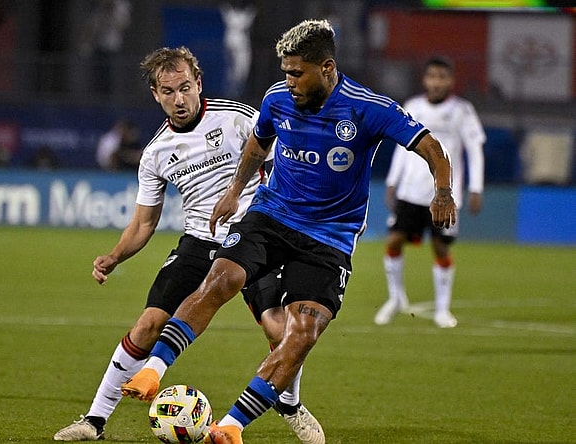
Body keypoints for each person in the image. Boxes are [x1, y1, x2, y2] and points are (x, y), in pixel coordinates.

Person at [120, 20, 457, 444]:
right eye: (284, 71)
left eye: (297, 72)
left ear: (327, 67)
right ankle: (154, 369)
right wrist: (233, 192)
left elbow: (431, 147)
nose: (288, 81)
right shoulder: (278, 98)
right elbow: (257, 145)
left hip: (330, 237)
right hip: (272, 215)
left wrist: (443, 191)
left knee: (300, 336)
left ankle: (230, 428)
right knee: (221, 277)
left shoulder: (368, 108)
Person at [54, 46, 323, 444]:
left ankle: (288, 402)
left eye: (184, 88)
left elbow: (284, 159)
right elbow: (145, 221)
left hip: (254, 236)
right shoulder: (156, 153)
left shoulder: (237, 119)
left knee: (281, 329)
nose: (178, 100)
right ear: (155, 94)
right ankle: (94, 420)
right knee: (147, 325)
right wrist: (114, 255)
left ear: (199, 83)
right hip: (200, 241)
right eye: (167, 91)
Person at [374, 56, 485, 329]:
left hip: (444, 195)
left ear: (451, 81)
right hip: (410, 191)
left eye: (442, 77)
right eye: (432, 76)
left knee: (440, 247)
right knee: (394, 241)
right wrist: (392, 181)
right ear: (425, 80)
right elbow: (402, 147)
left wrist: (476, 188)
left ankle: (442, 309)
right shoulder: (412, 106)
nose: (437, 82)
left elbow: (474, 150)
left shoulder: (462, 110)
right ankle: (396, 298)